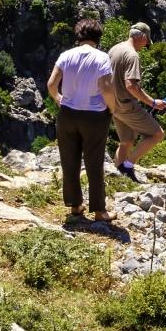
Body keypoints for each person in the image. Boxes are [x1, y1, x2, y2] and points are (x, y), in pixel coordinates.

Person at [49, 17, 115, 221]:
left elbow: (52, 84)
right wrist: (111, 108)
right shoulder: (102, 57)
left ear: (78, 36)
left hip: (67, 114)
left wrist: (60, 100)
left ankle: (75, 206)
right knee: (94, 162)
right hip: (94, 115)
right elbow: (105, 87)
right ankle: (99, 210)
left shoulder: (66, 55)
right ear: (98, 37)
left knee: (69, 161)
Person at [107, 21, 166, 180]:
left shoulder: (114, 49)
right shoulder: (132, 55)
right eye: (147, 41)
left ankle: (119, 176)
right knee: (157, 134)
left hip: (112, 105)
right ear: (141, 36)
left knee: (126, 141)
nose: (146, 44)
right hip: (126, 105)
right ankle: (128, 165)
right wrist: (153, 102)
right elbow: (131, 85)